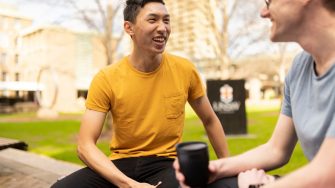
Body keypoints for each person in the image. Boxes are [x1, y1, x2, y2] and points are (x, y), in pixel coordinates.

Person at [52, 0, 229, 187]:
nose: (163, 28)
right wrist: (128, 185)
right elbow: (84, 146)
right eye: (153, 20)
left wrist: (228, 168)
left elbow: (210, 120)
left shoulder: (185, 70)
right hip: (120, 164)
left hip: (166, 163)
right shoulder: (106, 78)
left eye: (166, 20)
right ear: (129, 28)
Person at [174, 0, 335, 187]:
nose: (263, 12)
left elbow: (328, 174)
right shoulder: (299, 68)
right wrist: (217, 168)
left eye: (269, 1)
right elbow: (276, 150)